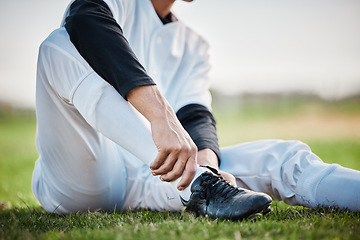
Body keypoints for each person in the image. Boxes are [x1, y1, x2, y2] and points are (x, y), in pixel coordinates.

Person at [32, 0, 360, 221]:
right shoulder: (114, 4)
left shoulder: (195, 44)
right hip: (86, 180)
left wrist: (206, 161)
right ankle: (200, 186)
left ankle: (203, 183)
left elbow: (196, 115)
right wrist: (161, 115)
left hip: (166, 178)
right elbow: (84, 21)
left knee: (285, 158)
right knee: (57, 47)